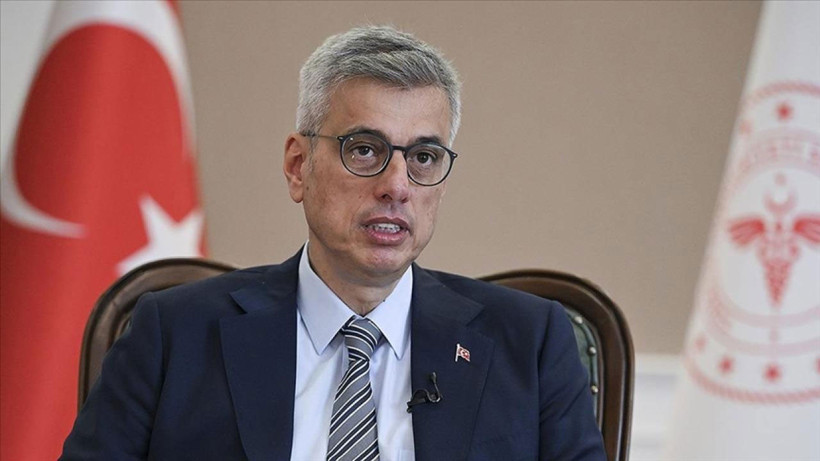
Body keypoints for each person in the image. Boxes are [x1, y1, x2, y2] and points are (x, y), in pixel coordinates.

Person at [61, 26, 605, 460]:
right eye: (364, 149)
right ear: (298, 166)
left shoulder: (530, 342)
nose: (396, 186)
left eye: (423, 157)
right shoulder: (174, 333)